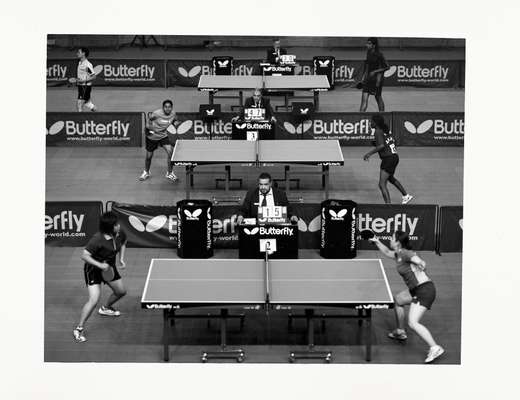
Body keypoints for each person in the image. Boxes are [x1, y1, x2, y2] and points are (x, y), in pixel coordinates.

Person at [369, 230, 445, 363]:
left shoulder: (405, 253)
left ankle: (435, 347)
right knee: (398, 300)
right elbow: (387, 252)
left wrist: (421, 263)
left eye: (392, 238)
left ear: (398, 242)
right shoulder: (399, 254)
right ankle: (400, 331)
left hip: (424, 291)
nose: (390, 240)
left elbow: (417, 259)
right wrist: (376, 241)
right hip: (416, 289)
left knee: (413, 322)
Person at [73, 211, 128, 343]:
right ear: (109, 227)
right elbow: (84, 255)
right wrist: (99, 265)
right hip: (93, 270)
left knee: (121, 291)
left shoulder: (119, 234)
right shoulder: (97, 239)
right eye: (116, 225)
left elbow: (124, 243)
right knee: (93, 300)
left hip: (109, 267)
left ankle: (106, 308)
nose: (119, 226)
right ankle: (78, 329)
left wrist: (121, 259)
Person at [363, 114, 413, 204]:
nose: (370, 123)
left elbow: (381, 146)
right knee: (390, 178)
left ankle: (388, 206)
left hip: (388, 159)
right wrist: (375, 143)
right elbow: (389, 142)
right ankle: (406, 196)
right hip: (394, 157)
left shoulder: (378, 131)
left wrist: (368, 154)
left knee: (382, 184)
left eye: (372, 121)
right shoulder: (386, 129)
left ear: (376, 123)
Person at [139, 99, 179, 182]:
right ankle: (146, 172)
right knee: (149, 156)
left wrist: (175, 123)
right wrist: (149, 129)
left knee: (170, 152)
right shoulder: (156, 114)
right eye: (166, 107)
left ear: (171, 108)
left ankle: (170, 173)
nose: (167, 109)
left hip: (163, 136)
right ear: (163, 108)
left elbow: (174, 120)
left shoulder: (173, 114)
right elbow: (149, 121)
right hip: (152, 137)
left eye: (169, 107)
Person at [359, 37, 390, 112]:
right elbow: (367, 66)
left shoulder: (379, 55)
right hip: (368, 79)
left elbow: (387, 67)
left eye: (369, 44)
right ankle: (360, 117)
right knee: (364, 99)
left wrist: (375, 72)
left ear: (374, 45)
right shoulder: (368, 53)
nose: (367, 45)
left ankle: (382, 115)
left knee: (378, 97)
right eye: (367, 43)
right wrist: (363, 79)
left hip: (377, 80)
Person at [75, 47, 97, 112]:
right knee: (88, 103)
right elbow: (83, 75)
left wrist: (83, 81)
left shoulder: (87, 65)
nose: (77, 54)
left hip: (85, 86)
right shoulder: (79, 62)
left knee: (79, 104)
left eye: (79, 52)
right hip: (81, 86)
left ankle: (80, 120)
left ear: (83, 53)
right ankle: (99, 115)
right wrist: (78, 80)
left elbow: (94, 76)